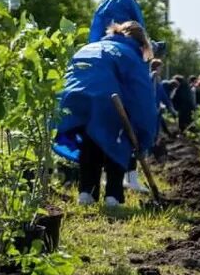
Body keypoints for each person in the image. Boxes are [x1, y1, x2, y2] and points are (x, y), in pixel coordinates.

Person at [53, 21, 158, 206]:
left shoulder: (91, 46)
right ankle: (113, 197)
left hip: (73, 101)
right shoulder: (130, 55)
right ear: (142, 44)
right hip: (107, 100)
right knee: (119, 141)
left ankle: (86, 194)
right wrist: (145, 139)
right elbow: (143, 101)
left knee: (91, 140)